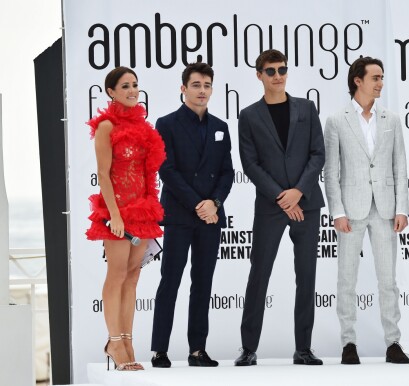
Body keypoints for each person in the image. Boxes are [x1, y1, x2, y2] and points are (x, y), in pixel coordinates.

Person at [235, 49, 325, 366]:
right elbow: (251, 164)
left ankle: (303, 349)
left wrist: (298, 191)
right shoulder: (248, 116)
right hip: (272, 206)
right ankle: (248, 348)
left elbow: (318, 154)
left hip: (306, 204)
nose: (278, 75)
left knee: (307, 276)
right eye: (271, 71)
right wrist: (281, 196)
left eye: (282, 69)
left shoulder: (307, 108)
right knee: (259, 274)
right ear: (259, 75)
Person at [324, 57, 409, 365]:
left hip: (385, 209)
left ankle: (394, 343)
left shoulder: (392, 119)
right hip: (351, 208)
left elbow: (400, 166)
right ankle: (348, 343)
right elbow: (331, 170)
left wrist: (402, 208)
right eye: (375, 77)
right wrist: (337, 212)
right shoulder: (336, 120)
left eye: (382, 77)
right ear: (357, 80)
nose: (381, 82)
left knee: (388, 279)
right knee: (347, 278)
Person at [150, 62, 234, 368]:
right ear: (183, 88)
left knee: (203, 282)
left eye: (207, 85)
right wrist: (199, 204)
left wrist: (214, 202)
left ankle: (197, 349)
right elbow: (166, 169)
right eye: (196, 85)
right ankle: (159, 349)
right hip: (180, 215)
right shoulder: (167, 123)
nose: (202, 91)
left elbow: (227, 172)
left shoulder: (220, 127)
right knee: (170, 280)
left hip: (210, 217)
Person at [86, 66, 166, 371]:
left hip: (142, 211)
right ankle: (114, 342)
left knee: (133, 278)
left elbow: (149, 174)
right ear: (111, 92)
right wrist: (115, 216)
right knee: (116, 276)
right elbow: (103, 175)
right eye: (125, 86)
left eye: (135, 85)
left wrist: (149, 207)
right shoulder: (106, 126)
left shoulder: (145, 129)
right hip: (116, 213)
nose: (132, 90)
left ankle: (128, 339)